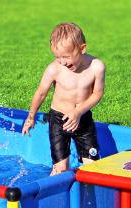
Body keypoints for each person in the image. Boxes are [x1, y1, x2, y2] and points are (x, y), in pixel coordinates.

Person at [22, 22, 105, 175]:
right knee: (61, 169)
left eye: (66, 57)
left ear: (82, 48)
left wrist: (78, 111)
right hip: (58, 120)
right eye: (57, 57)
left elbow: (97, 93)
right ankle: (53, 195)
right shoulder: (54, 69)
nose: (62, 62)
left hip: (83, 119)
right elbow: (41, 93)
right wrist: (31, 117)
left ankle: (89, 196)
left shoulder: (96, 67)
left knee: (93, 168)